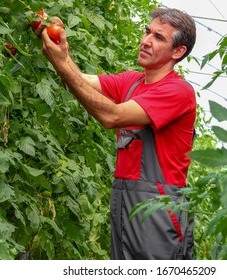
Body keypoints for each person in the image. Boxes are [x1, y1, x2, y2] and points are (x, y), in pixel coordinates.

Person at [35, 7, 197, 260]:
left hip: (159, 207)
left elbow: (113, 116)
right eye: (147, 32)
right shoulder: (131, 82)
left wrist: (61, 65)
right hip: (123, 199)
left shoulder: (178, 91)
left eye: (158, 37)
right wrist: (60, 48)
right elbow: (81, 80)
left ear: (178, 51)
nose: (145, 41)